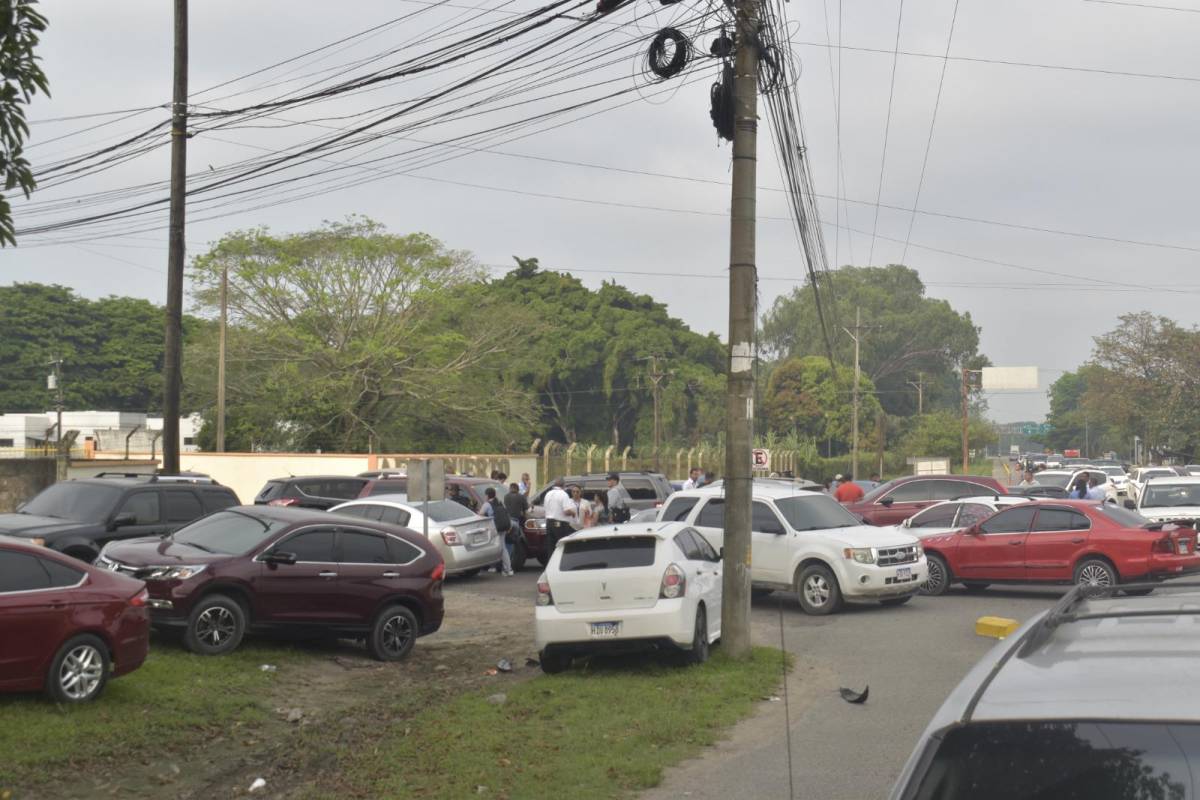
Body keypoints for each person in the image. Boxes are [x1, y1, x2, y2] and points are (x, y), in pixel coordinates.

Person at [480, 487, 513, 576]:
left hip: (495, 528)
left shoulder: (487, 504)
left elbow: (480, 515)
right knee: (503, 548)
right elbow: (506, 514)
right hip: (504, 527)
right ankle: (507, 569)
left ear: (487, 495)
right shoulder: (500, 502)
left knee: (495, 547)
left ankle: (500, 568)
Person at [543, 477, 575, 555]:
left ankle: (551, 565)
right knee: (562, 546)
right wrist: (573, 513)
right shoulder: (563, 494)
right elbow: (566, 511)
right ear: (563, 485)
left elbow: (545, 508)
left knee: (551, 547)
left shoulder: (548, 494)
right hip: (560, 524)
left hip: (549, 523)